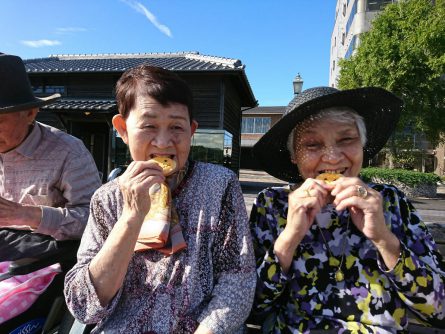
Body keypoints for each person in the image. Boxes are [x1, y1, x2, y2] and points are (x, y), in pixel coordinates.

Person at [64, 65, 256, 334]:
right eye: (149, 125)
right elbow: (84, 306)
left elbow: (238, 276)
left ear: (192, 130)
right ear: (122, 129)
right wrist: (131, 216)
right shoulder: (106, 199)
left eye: (176, 126)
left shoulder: (219, 184)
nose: (164, 142)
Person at [249, 86, 445, 333]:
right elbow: (252, 310)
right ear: (293, 156)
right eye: (312, 144)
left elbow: (439, 311)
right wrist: (289, 238)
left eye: (346, 139)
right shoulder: (272, 205)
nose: (332, 158)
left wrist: (384, 239)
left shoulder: (390, 202)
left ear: (362, 145)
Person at [0, 53, 102, 260]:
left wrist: (25, 214)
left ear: (30, 113)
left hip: (46, 254)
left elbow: (98, 221)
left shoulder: (68, 151)